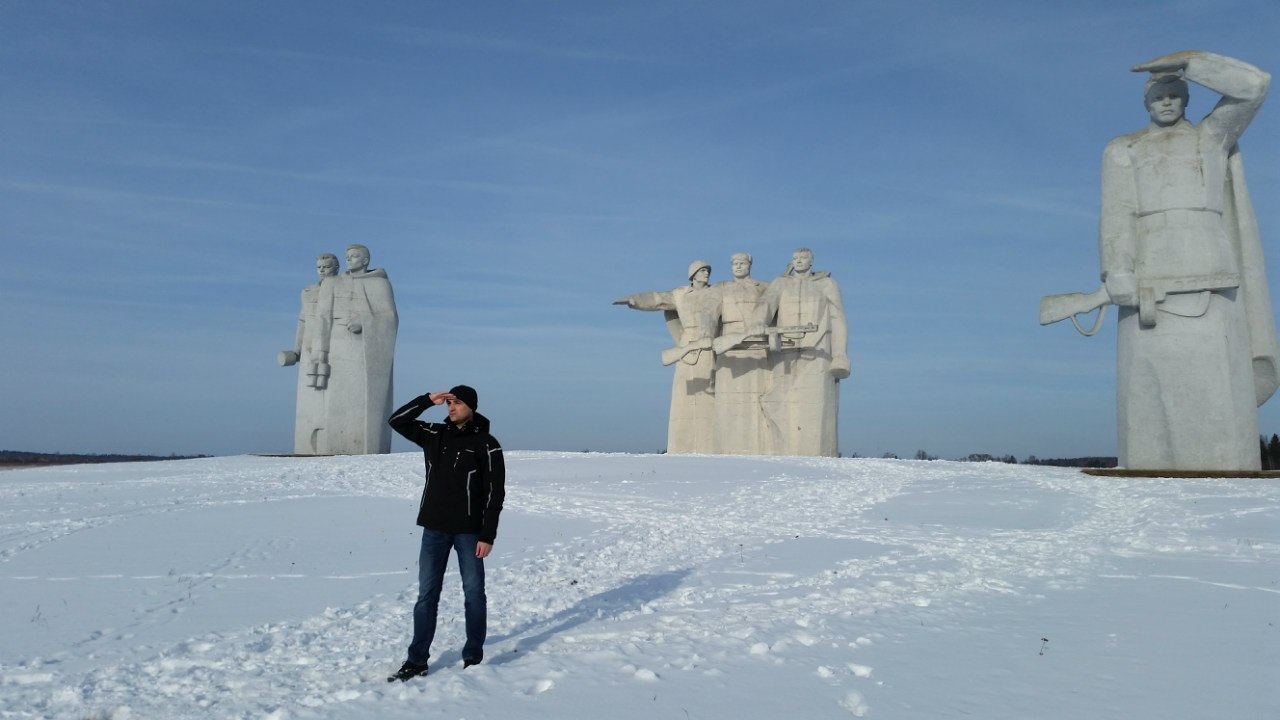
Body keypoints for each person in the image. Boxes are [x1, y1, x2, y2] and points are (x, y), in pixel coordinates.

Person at [1099, 51, 1277, 469]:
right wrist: (1118, 270)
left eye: (1174, 94)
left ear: (1185, 100)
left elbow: (1254, 88)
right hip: (1147, 281)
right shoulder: (1123, 148)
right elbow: (1116, 213)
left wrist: (1191, 62)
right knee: (1149, 391)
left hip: (1213, 274)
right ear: (1146, 103)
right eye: (1158, 95)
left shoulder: (1210, 139)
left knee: (1220, 388)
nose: (1166, 101)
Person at [386, 385, 505, 681]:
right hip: (434, 529)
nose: (451, 408)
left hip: (469, 533)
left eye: (457, 403)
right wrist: (427, 400)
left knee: (474, 594)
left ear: (472, 407)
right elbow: (396, 421)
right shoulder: (435, 434)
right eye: (449, 403)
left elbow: (495, 493)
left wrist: (487, 535)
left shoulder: (487, 444)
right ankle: (416, 661)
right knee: (427, 595)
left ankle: (473, 655)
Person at [752, 248, 850, 457]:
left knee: (813, 410)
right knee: (779, 402)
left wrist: (840, 353)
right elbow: (766, 304)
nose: (798, 261)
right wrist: (759, 322)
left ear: (811, 262)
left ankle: (814, 455)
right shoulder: (781, 283)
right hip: (784, 351)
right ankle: (780, 452)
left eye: (803, 258)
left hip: (817, 351)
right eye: (795, 258)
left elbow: (838, 319)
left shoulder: (826, 284)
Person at [614, 261, 718, 453]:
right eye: (702, 271)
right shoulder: (680, 294)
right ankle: (681, 446)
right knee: (683, 399)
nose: (706, 274)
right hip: (687, 345)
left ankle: (709, 446)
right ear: (693, 275)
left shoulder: (716, 293)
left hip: (709, 345)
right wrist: (634, 300)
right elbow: (657, 298)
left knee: (709, 395)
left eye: (707, 271)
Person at [314, 244, 399, 454]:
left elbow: (390, 317)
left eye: (354, 256)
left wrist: (365, 322)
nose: (349, 260)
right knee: (337, 400)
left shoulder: (380, 284)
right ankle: (335, 445)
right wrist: (320, 353)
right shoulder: (332, 284)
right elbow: (322, 319)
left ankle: (366, 446)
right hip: (338, 347)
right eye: (347, 257)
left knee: (366, 400)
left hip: (367, 350)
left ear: (365, 260)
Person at [707, 252, 771, 454]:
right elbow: (709, 314)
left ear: (749, 265)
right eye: (734, 263)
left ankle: (759, 447)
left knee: (756, 400)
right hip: (730, 345)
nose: (738, 266)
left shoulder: (764, 287)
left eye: (742, 263)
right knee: (728, 402)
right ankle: (726, 448)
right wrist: (706, 333)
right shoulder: (721, 288)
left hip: (757, 347)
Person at [278, 253, 339, 454]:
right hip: (309, 348)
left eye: (326, 266)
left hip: (335, 347)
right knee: (311, 397)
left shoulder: (343, 287)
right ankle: (311, 443)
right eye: (319, 267)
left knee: (333, 397)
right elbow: (302, 321)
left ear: (335, 268)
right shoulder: (308, 291)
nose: (321, 270)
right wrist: (297, 349)